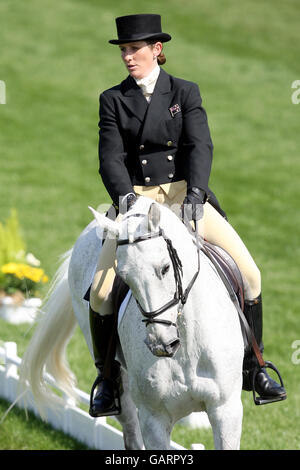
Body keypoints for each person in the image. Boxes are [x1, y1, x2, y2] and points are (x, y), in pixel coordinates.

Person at [88, 14, 286, 417]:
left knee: (250, 275)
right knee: (102, 293)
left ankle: (255, 368)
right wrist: (126, 200)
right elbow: (110, 157)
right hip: (136, 203)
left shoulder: (185, 91)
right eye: (124, 50)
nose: (128, 57)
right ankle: (107, 379)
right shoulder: (112, 99)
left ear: (157, 50)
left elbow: (200, 146)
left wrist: (196, 193)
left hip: (185, 196)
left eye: (134, 49)